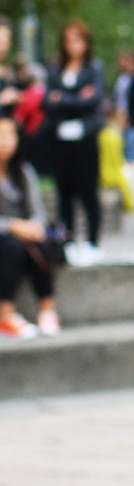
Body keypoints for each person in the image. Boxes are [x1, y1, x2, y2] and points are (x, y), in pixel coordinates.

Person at [43, 20, 105, 266]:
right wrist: (76, 98)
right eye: (69, 40)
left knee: (89, 191)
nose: (73, 45)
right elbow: (48, 101)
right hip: (60, 140)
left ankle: (92, 242)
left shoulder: (93, 68)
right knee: (64, 193)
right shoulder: (55, 69)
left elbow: (92, 100)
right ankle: (67, 241)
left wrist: (62, 99)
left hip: (85, 139)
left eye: (78, 40)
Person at [0, 117, 60, 339]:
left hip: (25, 234)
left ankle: (47, 309)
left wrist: (35, 226)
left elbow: (39, 210)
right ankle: (5, 314)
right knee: (12, 247)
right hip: (6, 237)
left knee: (40, 242)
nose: (5, 141)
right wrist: (13, 226)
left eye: (10, 135)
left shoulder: (23, 171)